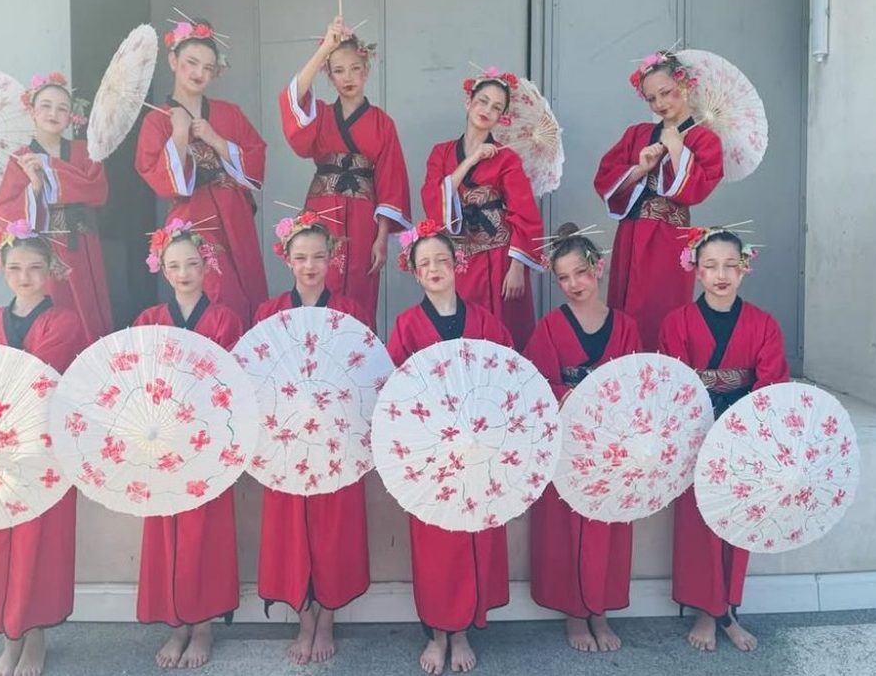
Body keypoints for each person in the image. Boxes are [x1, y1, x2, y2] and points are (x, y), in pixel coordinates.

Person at [0, 221, 86, 676]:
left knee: (37, 545)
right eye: (15, 268)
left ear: (51, 270)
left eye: (34, 268)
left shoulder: (65, 322)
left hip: (42, 448)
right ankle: (9, 640)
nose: (25, 277)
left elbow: (34, 378)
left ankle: (35, 639)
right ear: (2, 268)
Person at [386, 220, 512, 675]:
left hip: (478, 448)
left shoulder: (486, 322)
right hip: (431, 453)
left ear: (458, 264)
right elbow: (394, 389)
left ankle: (462, 631)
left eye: (442, 259)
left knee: (474, 533)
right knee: (436, 542)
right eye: (425, 263)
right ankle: (438, 632)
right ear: (414, 272)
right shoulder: (406, 325)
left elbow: (507, 377)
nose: (434, 268)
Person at [659, 227, 790, 652]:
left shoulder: (763, 324)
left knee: (738, 521)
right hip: (696, 435)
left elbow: (771, 385)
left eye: (730, 265)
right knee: (699, 525)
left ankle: (728, 609)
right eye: (711, 265)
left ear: (744, 268)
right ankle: (706, 610)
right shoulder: (676, 323)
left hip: (745, 436)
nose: (721, 275)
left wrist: (742, 427)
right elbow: (674, 385)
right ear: (696, 270)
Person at [255, 213, 371, 664]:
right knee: (291, 530)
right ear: (287, 259)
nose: (309, 266)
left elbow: (365, 375)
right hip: (286, 437)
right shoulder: (269, 313)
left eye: (318, 257)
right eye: (301, 257)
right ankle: (304, 620)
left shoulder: (350, 313)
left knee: (332, 528)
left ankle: (326, 619)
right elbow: (257, 377)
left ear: (331, 259)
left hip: (335, 437)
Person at [522, 222, 641, 652]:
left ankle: (600, 612)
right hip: (568, 442)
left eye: (581, 273)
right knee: (566, 528)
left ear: (599, 269)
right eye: (563, 278)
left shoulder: (625, 326)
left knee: (607, 526)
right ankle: (575, 615)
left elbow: (637, 383)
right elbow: (535, 382)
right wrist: (568, 394)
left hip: (610, 443)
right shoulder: (549, 327)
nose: (574, 284)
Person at [132, 220, 245, 668]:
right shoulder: (148, 321)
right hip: (161, 442)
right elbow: (135, 379)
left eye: (193, 264)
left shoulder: (225, 319)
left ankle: (203, 626)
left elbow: (230, 383)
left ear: (206, 266)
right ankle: (175, 623)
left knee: (205, 534)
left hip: (207, 441)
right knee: (166, 533)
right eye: (174, 265)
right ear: (162, 269)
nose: (184, 273)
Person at [278, 15, 411, 327]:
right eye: (338, 70)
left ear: (366, 71)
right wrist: (325, 48)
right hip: (322, 210)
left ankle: (357, 351)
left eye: (354, 69)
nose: (348, 77)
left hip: (365, 217)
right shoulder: (321, 115)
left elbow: (390, 182)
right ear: (329, 75)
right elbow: (292, 99)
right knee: (317, 277)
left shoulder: (382, 123)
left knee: (360, 289)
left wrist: (381, 238)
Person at [136, 19, 268, 327]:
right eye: (191, 63)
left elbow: (256, 159)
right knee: (215, 290)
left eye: (208, 68)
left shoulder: (229, 113)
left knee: (247, 287)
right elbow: (159, 179)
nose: (199, 73)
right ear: (173, 61)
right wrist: (179, 134)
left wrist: (215, 139)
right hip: (192, 217)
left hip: (234, 213)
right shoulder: (157, 120)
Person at [593, 50, 724, 348]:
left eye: (666, 93)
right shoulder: (637, 134)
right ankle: (623, 366)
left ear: (684, 85)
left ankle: (661, 370)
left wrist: (677, 149)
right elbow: (604, 178)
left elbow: (698, 189)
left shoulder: (705, 140)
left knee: (660, 309)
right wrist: (641, 168)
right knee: (623, 305)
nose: (660, 104)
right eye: (652, 99)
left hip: (668, 237)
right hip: (630, 232)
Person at [422, 67, 544, 349]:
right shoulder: (441, 153)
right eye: (483, 101)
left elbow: (525, 214)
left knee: (503, 332)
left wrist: (517, 267)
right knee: (460, 331)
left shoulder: (507, 158)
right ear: (469, 102)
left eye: (497, 107)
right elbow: (433, 200)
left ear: (502, 117)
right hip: (459, 258)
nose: (487, 110)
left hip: (499, 258)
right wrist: (471, 160)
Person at [0, 72, 112, 341]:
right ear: (32, 112)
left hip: (83, 244)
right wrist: (35, 185)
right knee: (51, 304)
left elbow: (96, 190)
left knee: (88, 307)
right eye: (45, 106)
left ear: (71, 116)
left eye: (62, 108)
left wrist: (48, 169)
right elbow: (5, 211)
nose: (53, 113)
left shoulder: (85, 151)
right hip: (45, 247)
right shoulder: (20, 159)